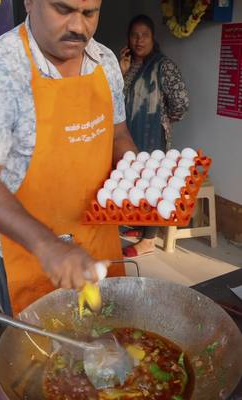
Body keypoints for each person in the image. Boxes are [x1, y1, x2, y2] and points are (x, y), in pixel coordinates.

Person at [0, 0, 137, 316]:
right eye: (63, 10)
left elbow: (118, 135)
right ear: (29, 2)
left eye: (89, 13)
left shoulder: (105, 61)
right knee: (41, 357)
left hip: (99, 242)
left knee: (108, 343)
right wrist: (48, 246)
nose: (78, 28)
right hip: (30, 251)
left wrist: (137, 175)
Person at [119, 14, 189, 258]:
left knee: (153, 183)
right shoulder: (129, 65)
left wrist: (164, 119)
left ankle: (149, 239)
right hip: (128, 133)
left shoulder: (163, 65)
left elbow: (181, 102)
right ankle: (140, 225)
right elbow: (116, 100)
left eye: (144, 35)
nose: (139, 40)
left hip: (152, 137)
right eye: (134, 35)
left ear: (153, 38)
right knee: (133, 180)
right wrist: (122, 72)